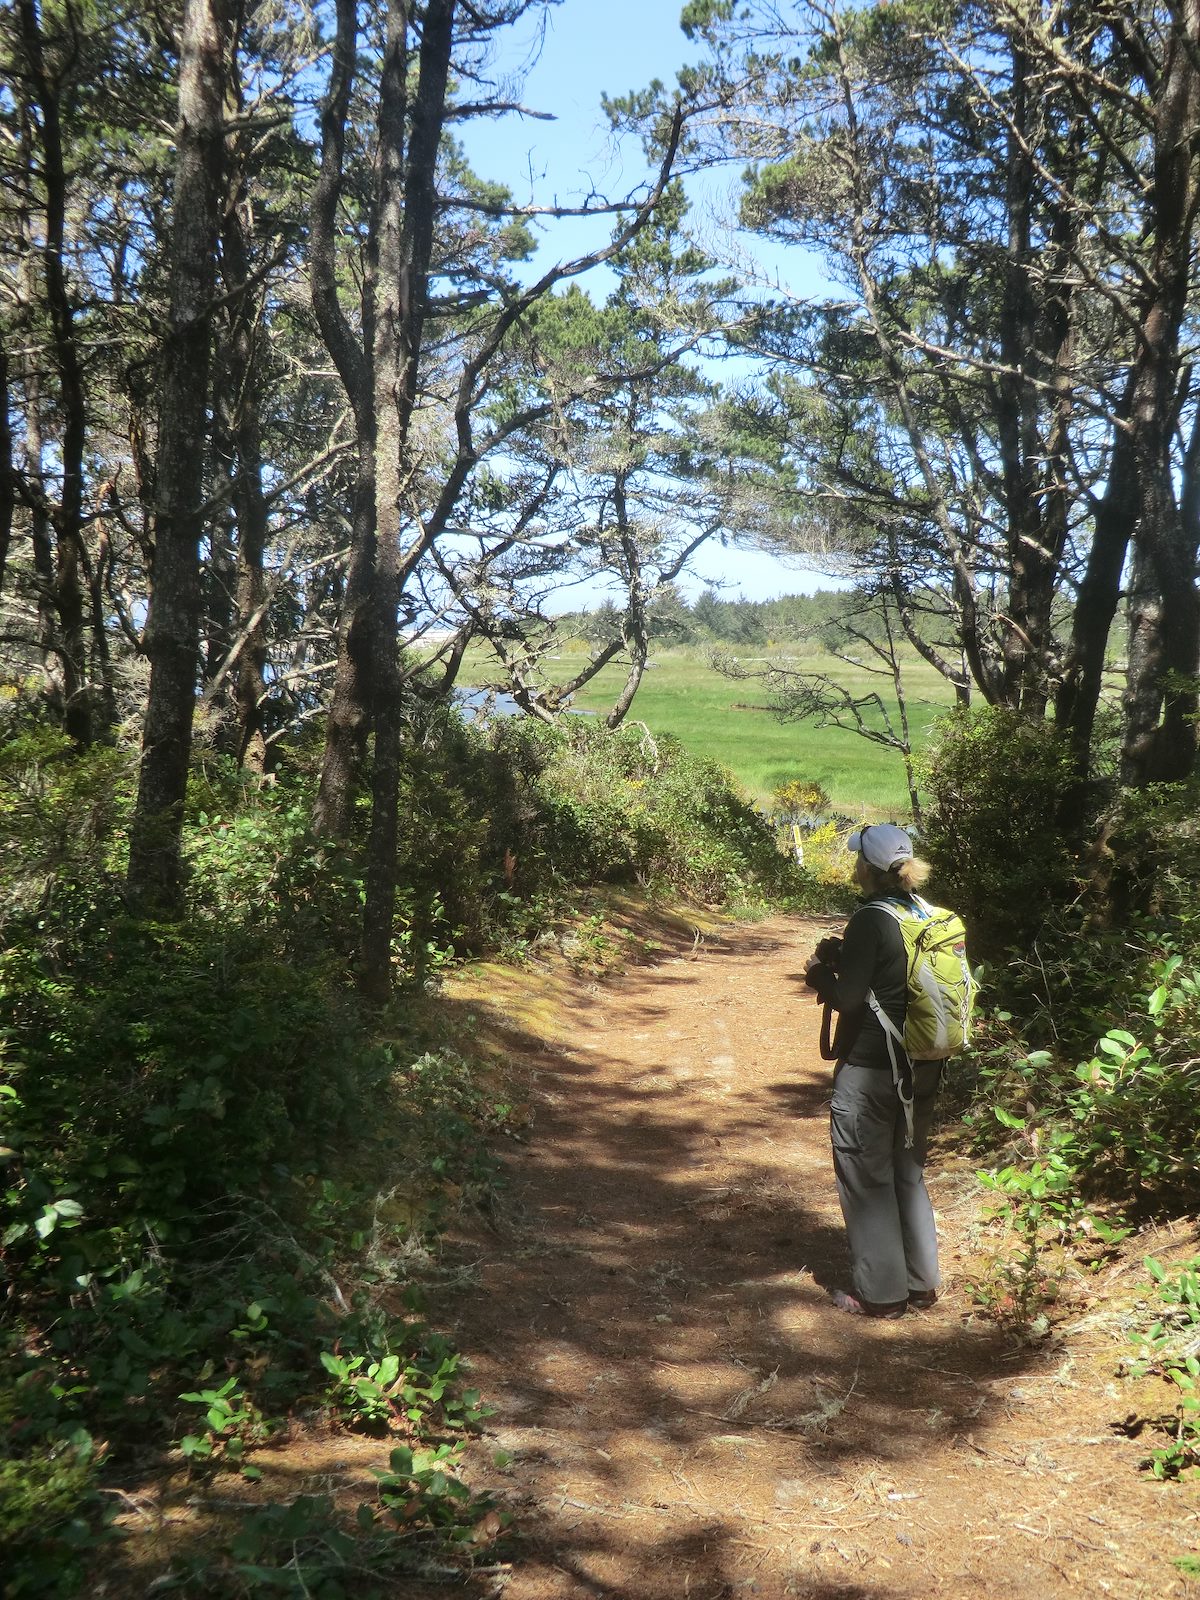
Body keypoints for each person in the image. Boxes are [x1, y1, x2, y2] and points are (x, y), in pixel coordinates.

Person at [804, 823, 943, 1319]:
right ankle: (922, 1283)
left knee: (866, 1176)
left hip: (871, 1069)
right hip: (923, 1065)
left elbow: (848, 998)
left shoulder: (870, 919)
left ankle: (881, 1295)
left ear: (867, 866)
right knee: (908, 1170)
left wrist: (821, 973)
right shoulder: (928, 915)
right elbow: (892, 976)